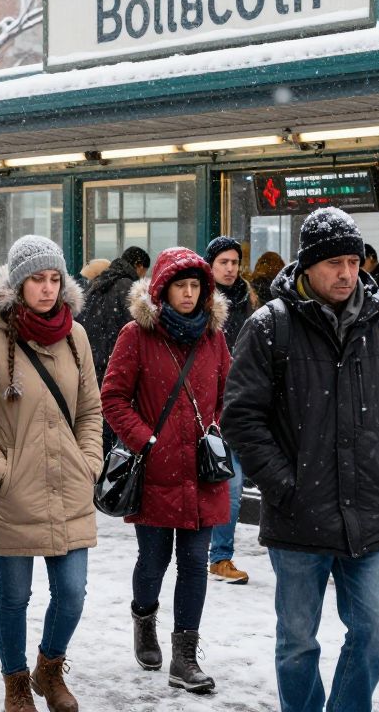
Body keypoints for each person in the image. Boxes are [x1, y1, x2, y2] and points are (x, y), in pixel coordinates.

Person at [221, 208, 379, 712]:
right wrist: (282, 484)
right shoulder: (271, 326)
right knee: (297, 643)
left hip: (370, 511)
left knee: (374, 629)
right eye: (334, 262)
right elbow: (242, 417)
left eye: (353, 261)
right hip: (299, 515)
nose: (347, 273)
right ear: (308, 266)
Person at [0, 235, 102, 712]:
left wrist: (90, 464)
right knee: (14, 597)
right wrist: (2, 474)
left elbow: (91, 411)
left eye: (54, 278)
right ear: (17, 284)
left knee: (72, 594)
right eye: (37, 279)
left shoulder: (76, 337)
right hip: (13, 496)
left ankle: (49, 668)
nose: (47, 288)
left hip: (69, 488)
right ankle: (15, 682)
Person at [102, 247, 232, 695]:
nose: (190, 294)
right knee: (154, 561)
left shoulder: (213, 338)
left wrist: (217, 432)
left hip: (202, 474)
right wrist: (147, 442)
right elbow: (113, 398)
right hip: (156, 472)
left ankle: (185, 657)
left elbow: (227, 394)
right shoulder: (135, 336)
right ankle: (143, 618)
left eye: (197, 286)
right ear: (162, 289)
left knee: (195, 563)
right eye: (182, 286)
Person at [203, 235, 253, 585]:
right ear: (211, 265)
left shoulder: (248, 301)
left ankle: (219, 555)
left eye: (235, 262)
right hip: (204, 405)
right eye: (224, 262)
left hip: (240, 401)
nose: (231, 268)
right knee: (222, 482)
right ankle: (210, 554)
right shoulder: (200, 301)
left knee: (231, 483)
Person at [79, 245, 150, 453]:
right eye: (144, 271)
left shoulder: (98, 283)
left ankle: (100, 472)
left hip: (95, 364)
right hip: (117, 365)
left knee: (100, 426)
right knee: (117, 427)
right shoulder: (129, 288)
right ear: (138, 266)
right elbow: (135, 330)